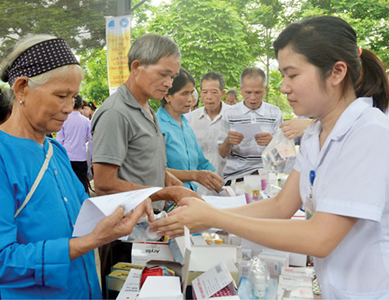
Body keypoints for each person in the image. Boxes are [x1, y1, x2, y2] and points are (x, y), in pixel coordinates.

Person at [150, 16, 389, 299]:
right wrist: (208, 216)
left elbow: (320, 238)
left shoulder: (369, 133)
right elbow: (280, 206)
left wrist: (214, 216)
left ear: (336, 72)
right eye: (282, 76)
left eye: (292, 75)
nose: (284, 87)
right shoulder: (315, 133)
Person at [0, 34, 153, 299]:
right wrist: (91, 242)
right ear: (21, 88)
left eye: (74, 96)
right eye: (61, 95)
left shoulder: (56, 151)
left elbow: (84, 214)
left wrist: (127, 204)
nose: (69, 108)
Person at [90, 33, 199, 296]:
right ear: (136, 67)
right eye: (163, 74)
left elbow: (139, 159)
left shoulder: (145, 108)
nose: (169, 83)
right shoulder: (116, 113)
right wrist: (167, 192)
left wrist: (167, 176)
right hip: (124, 234)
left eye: (172, 76)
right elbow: (104, 182)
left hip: (147, 229)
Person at [157, 68, 223, 193]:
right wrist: (194, 175)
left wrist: (218, 181)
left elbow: (201, 163)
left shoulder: (186, 125)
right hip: (167, 201)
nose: (190, 99)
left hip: (190, 196)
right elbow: (156, 171)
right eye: (184, 94)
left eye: (191, 93)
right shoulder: (157, 126)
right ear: (167, 96)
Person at [218, 67, 283, 183]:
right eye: (248, 92)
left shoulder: (275, 113)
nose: (253, 97)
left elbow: (284, 153)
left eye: (258, 92)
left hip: (266, 176)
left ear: (265, 89)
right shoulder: (230, 114)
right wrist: (228, 141)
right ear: (241, 89)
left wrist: (273, 142)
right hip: (236, 175)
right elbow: (222, 154)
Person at [190, 71, 229, 183]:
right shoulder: (192, 118)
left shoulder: (233, 116)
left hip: (226, 182)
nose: (209, 97)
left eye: (214, 92)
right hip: (200, 185)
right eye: (205, 92)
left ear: (223, 93)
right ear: (200, 93)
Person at [56, 94, 92, 193]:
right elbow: (92, 140)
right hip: (81, 158)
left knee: (68, 186)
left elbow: (59, 142)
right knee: (82, 185)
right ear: (81, 105)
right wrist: (93, 157)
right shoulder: (86, 121)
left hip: (66, 158)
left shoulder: (62, 120)